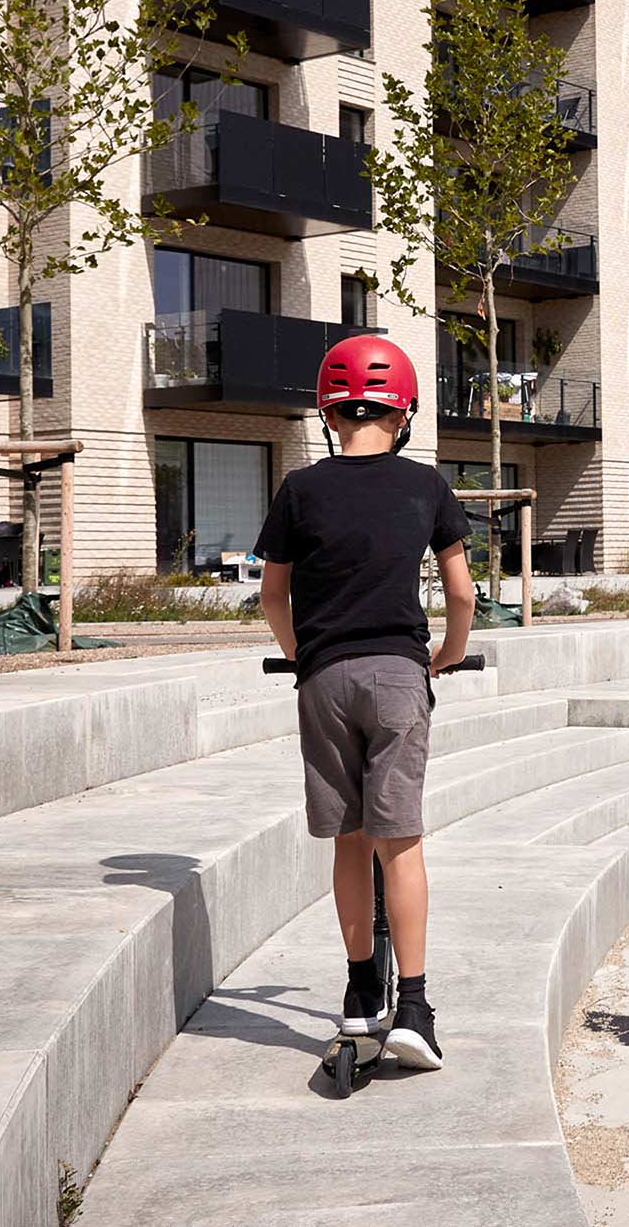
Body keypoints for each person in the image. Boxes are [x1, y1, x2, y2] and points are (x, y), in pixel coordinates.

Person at [254, 334, 477, 1071]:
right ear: (404, 413)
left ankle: (357, 992)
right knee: (400, 838)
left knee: (351, 838)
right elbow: (462, 592)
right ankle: (413, 1005)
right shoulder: (427, 486)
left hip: (324, 680)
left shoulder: (300, 488)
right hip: (396, 677)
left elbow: (273, 594)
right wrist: (443, 654)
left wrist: (300, 653)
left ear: (328, 413)